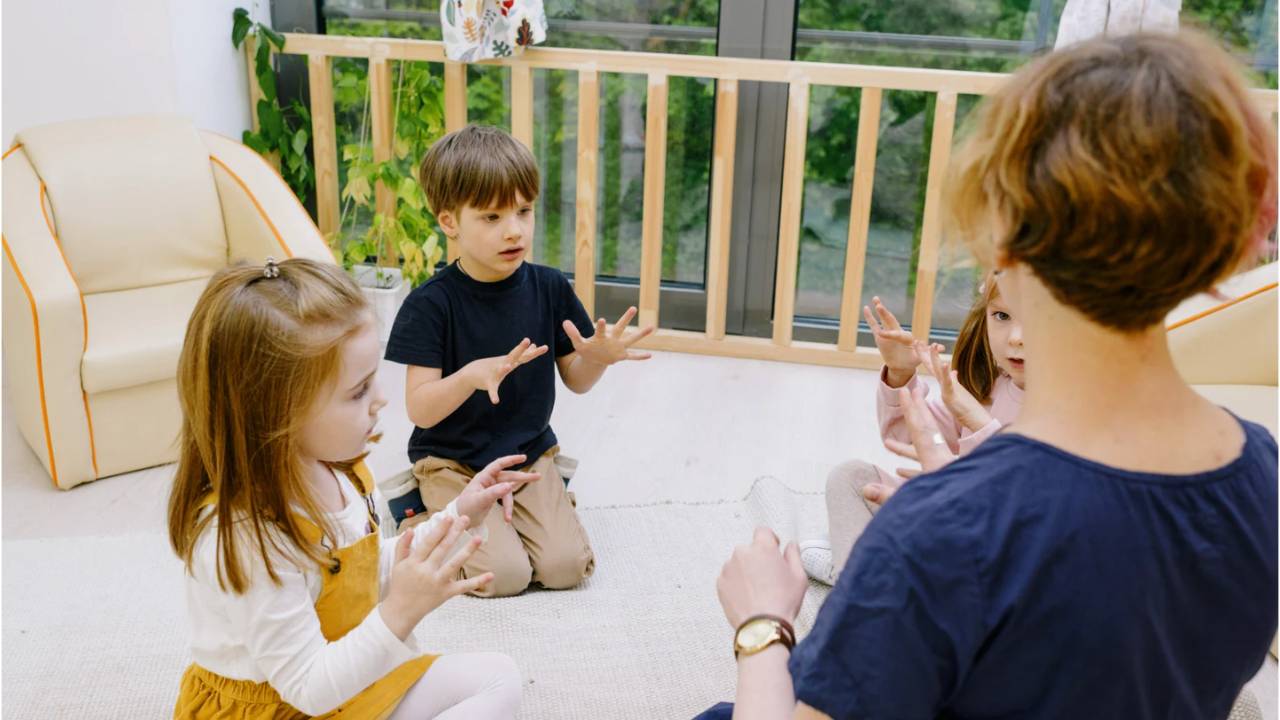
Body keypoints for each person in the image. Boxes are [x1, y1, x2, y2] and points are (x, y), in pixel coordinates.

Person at [707, 30, 1277, 719]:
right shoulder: (1262, 472)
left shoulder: (943, 532)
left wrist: (762, 628)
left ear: (1003, 234)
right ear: (1226, 234)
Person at [169, 258, 532, 718]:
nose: (381, 399)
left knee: (499, 677)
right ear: (279, 412)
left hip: (349, 683)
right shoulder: (247, 535)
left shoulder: (344, 475)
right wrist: (400, 611)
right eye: (358, 390)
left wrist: (459, 513)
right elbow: (309, 688)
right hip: (287, 705)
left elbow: (365, 573)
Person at [383, 124, 655, 598]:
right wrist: (469, 376)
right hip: (453, 464)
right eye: (491, 217)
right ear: (450, 222)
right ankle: (422, 510)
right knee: (504, 577)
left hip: (525, 453)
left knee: (565, 569)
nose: (514, 230)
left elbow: (576, 379)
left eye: (523, 211)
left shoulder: (550, 287)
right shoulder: (430, 304)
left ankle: (544, 498)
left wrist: (600, 358)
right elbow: (420, 410)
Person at [800, 277, 1025, 584]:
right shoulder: (988, 385)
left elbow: (1027, 503)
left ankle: (860, 568)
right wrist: (900, 374)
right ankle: (854, 573)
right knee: (851, 477)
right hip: (945, 524)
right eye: (1001, 316)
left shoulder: (1076, 409)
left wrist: (978, 422)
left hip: (1000, 552)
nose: (1016, 338)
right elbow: (905, 438)